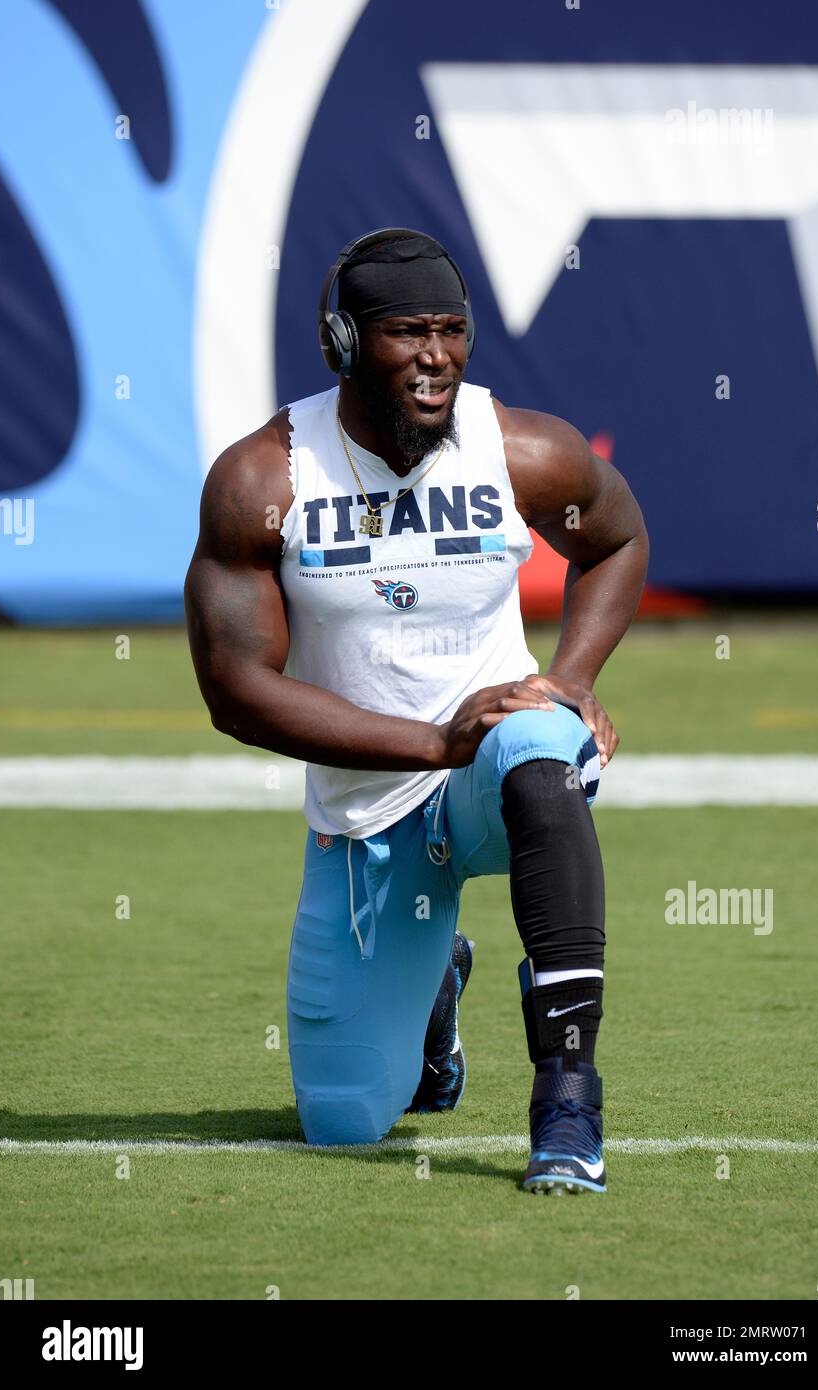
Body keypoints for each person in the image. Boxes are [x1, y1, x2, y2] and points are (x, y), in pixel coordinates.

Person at [184, 228, 648, 1193]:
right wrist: (433, 741)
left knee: (536, 744)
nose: (435, 357)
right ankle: (432, 991)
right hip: (373, 804)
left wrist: (573, 679)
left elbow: (617, 536)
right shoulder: (263, 479)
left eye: (451, 331)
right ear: (345, 342)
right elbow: (236, 690)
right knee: (346, 1122)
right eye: (406, 334)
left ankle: (567, 1097)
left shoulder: (516, 446)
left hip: (498, 767)